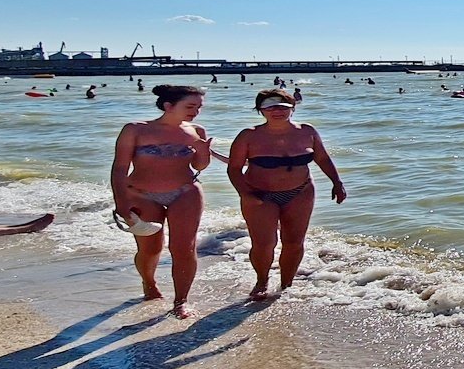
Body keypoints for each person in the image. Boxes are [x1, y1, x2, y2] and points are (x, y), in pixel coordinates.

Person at [227, 90, 345, 299]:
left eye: (283, 107)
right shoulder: (249, 135)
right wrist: (245, 194)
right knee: (264, 244)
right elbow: (234, 169)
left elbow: (323, 159)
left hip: (300, 192)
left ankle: (286, 285)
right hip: (260, 194)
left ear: (293, 108)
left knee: (294, 242)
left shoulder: (307, 131)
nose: (277, 111)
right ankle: (262, 281)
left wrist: (337, 182)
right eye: (270, 107)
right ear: (261, 110)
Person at [110, 85, 213, 318]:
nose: (195, 112)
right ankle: (149, 283)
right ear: (168, 106)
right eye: (190, 106)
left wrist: (203, 151)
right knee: (150, 247)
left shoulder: (197, 130)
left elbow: (198, 166)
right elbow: (119, 168)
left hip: (185, 192)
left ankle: (181, 301)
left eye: (199, 107)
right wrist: (121, 202)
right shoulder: (135, 130)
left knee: (184, 248)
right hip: (141, 193)